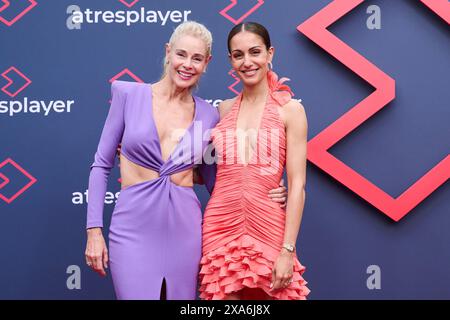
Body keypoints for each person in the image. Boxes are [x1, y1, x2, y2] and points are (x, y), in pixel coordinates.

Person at [84, 21, 287, 300]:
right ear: (168, 52)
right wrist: (94, 230)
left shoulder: (209, 115)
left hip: (185, 232)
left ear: (207, 63)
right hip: (133, 229)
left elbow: (218, 180)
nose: (187, 64)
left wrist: (263, 194)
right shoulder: (128, 95)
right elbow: (101, 165)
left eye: (197, 58)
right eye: (181, 54)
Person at [199, 22, 310, 300]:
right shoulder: (221, 110)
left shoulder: (291, 111)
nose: (247, 62)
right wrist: (129, 150)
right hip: (220, 224)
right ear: (230, 61)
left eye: (255, 52)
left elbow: (297, 185)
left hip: (269, 224)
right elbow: (183, 159)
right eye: (238, 55)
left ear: (270, 54)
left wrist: (288, 249)